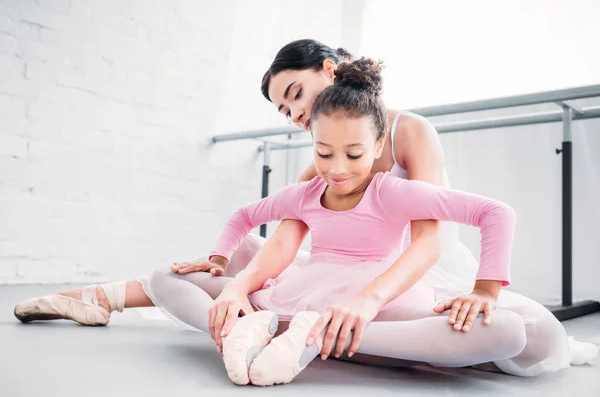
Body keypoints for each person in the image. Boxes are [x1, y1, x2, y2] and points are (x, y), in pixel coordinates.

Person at [13, 42, 596, 379]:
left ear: (331, 72)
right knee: (209, 267)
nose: (291, 113)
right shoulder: (316, 162)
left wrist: (372, 299)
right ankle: (100, 297)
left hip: (416, 267)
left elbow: (429, 240)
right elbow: (285, 233)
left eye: (295, 94)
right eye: (284, 110)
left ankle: (285, 327)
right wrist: (234, 273)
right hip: (329, 269)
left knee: (531, 335)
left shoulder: (408, 132)